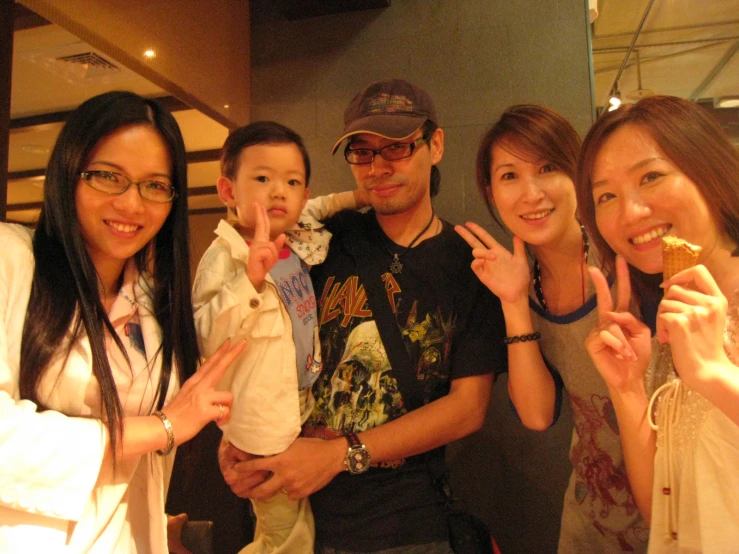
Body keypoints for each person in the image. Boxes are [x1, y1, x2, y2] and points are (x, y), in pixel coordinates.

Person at [219, 78, 508, 553]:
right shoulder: (319, 237)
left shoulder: (468, 262)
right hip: (300, 513)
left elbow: (467, 408)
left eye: (396, 148)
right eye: (363, 151)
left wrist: (340, 455)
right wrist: (239, 438)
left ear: (434, 145)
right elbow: (256, 331)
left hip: (406, 526)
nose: (378, 166)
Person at [0, 91, 244, 553]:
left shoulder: (153, 306)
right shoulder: (11, 259)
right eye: (109, 177)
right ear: (68, 173)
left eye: (154, 185)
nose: (133, 205)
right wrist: (161, 427)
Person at [455, 105, 649, 552]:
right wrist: (515, 303)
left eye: (548, 168)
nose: (531, 193)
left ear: (577, 173)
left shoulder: (628, 255)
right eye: (509, 176)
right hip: (593, 515)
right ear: (490, 191)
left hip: (674, 508)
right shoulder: (521, 284)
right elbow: (538, 414)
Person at [576, 95, 739, 553]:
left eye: (651, 176)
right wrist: (627, 390)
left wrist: (715, 375)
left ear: (711, 171)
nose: (629, 213)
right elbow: (662, 512)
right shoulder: (671, 321)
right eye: (605, 196)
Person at [192, 121, 361, 553]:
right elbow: (206, 337)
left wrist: (359, 197)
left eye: (292, 182)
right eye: (262, 179)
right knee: (288, 534)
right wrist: (249, 280)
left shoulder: (295, 232)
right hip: (261, 420)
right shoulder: (225, 256)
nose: (278, 191)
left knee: (286, 524)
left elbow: (322, 206)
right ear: (228, 191)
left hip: (297, 403)